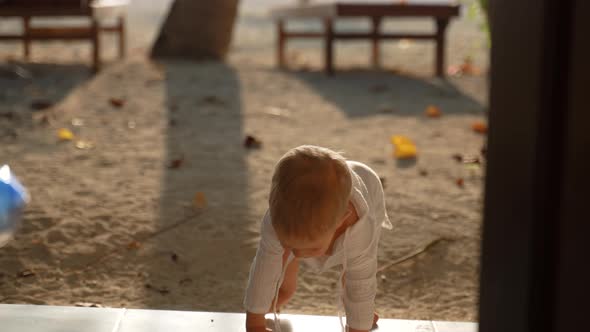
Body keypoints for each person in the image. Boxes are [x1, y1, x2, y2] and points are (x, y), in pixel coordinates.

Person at [244, 145, 392, 332]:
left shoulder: (361, 229)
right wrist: (255, 323)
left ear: (341, 219)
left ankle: (363, 315)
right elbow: (264, 268)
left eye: (311, 249)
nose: (300, 254)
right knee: (283, 282)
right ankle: (280, 294)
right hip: (314, 220)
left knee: (352, 279)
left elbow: (361, 283)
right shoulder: (277, 219)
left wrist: (358, 327)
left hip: (370, 188)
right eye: (289, 244)